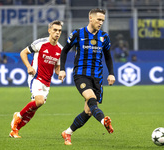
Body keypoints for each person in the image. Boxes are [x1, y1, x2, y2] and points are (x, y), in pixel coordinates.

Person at [58, 8, 116, 145]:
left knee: (89, 111)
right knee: (91, 98)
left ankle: (67, 132)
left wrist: (111, 73)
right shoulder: (78, 34)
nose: (101, 22)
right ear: (90, 18)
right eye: (98, 19)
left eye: (103, 20)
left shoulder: (104, 37)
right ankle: (104, 121)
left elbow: (108, 57)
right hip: (81, 75)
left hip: (97, 77)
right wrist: (62, 69)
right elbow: (65, 51)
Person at [9, 20, 63, 138]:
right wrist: (29, 67)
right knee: (39, 101)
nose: (57, 33)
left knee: (35, 107)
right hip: (36, 77)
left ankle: (15, 130)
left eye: (59, 31)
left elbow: (57, 68)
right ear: (49, 30)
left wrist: (60, 73)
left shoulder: (60, 49)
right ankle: (18, 115)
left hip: (47, 83)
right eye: (55, 30)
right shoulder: (40, 43)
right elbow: (23, 53)